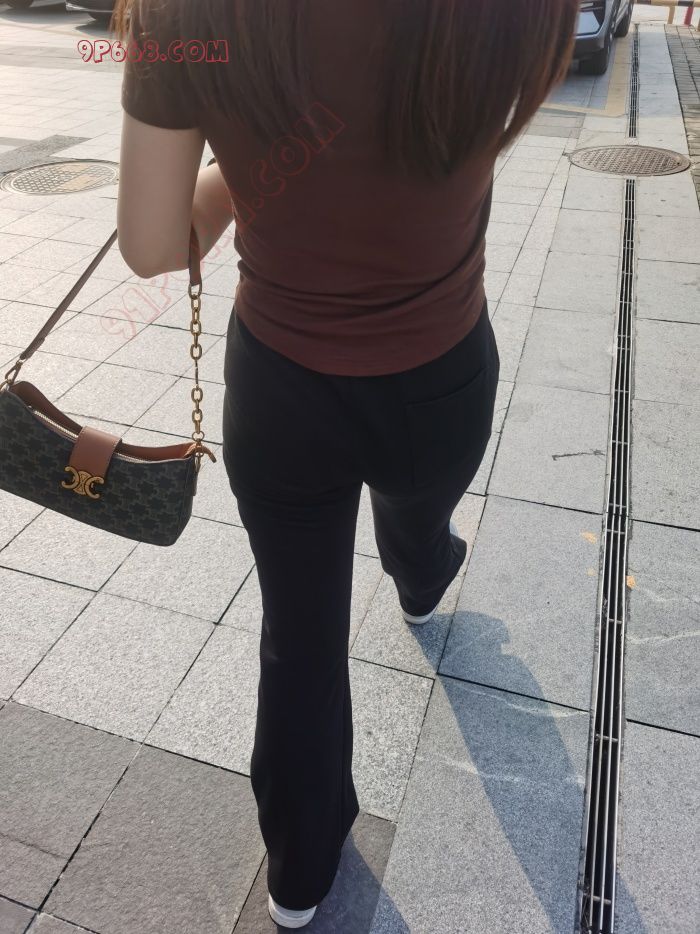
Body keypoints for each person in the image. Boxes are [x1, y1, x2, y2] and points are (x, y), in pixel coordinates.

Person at [115, 0, 579, 927]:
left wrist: (247, 167)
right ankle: (422, 573)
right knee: (418, 515)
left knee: (301, 638)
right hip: (440, 379)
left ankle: (299, 875)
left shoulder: (182, 13)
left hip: (281, 389)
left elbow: (153, 244)